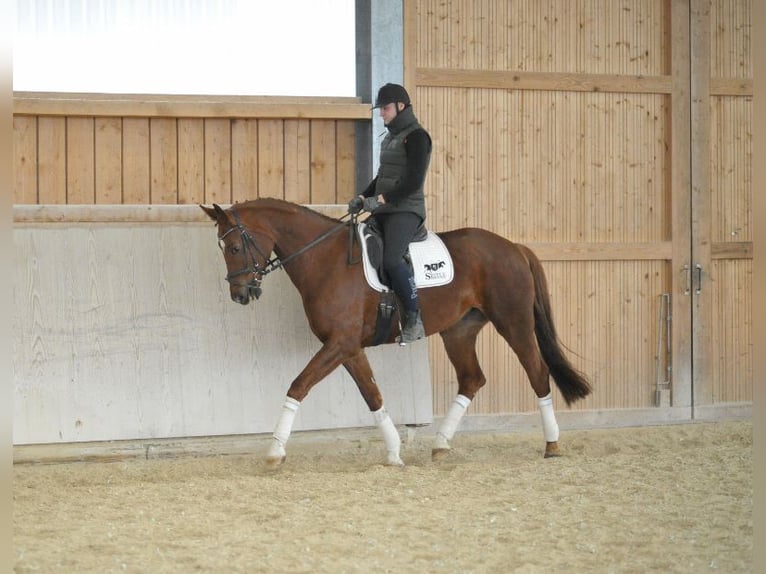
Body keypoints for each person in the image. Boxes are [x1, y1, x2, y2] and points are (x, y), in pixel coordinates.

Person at [348, 83, 432, 344]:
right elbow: (382, 177)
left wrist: (381, 199)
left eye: (385, 109)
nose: (381, 114)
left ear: (400, 106)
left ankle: (414, 318)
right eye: (381, 109)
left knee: (393, 259)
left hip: (406, 209)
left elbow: (413, 181)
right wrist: (363, 197)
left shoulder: (417, 137)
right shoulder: (390, 138)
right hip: (386, 209)